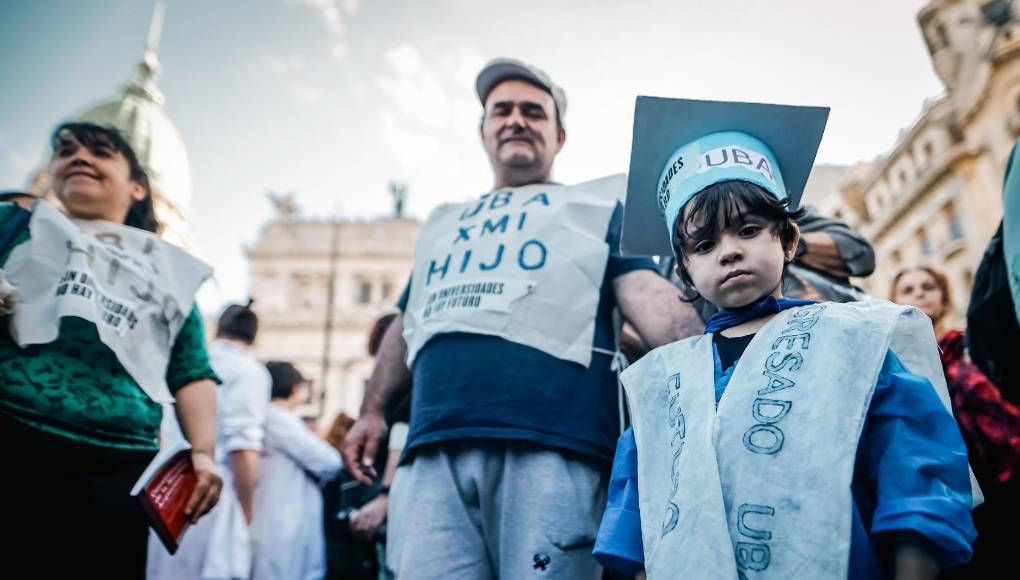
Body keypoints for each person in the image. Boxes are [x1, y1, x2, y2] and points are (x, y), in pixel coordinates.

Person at [342, 58, 704, 579]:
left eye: (533, 112)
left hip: (554, 447)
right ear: (484, 130)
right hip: (432, 452)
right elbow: (407, 323)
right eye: (501, 110)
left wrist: (734, 338)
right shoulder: (442, 225)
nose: (516, 119)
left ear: (558, 137)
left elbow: (650, 301)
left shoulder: (598, 208)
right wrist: (372, 411)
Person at [594, 97, 977, 579]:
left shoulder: (854, 343)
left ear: (790, 240)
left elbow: (914, 468)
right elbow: (637, 506)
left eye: (749, 230)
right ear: (685, 274)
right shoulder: (665, 380)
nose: (730, 252)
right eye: (705, 245)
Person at [0, 121, 221, 577]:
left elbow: (192, 370)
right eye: (66, 151)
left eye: (100, 152)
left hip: (115, 470)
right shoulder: (11, 229)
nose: (79, 157)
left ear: (138, 187)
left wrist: (202, 452)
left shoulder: (169, 272)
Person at [890, 266, 1020, 577]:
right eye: (908, 289)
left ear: (944, 296)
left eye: (928, 286)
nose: (919, 293)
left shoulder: (972, 347)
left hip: (996, 475)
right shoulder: (895, 366)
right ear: (893, 302)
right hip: (943, 486)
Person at [148, 301, 272, 580]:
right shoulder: (249, 372)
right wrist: (247, 510)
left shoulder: (187, 360)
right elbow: (244, 447)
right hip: (211, 492)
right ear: (254, 335)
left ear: (219, 328)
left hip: (165, 485)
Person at [253, 361, 343, 580]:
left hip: (276, 513)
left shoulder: (265, 416)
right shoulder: (279, 419)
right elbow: (328, 461)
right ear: (295, 389)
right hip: (283, 517)